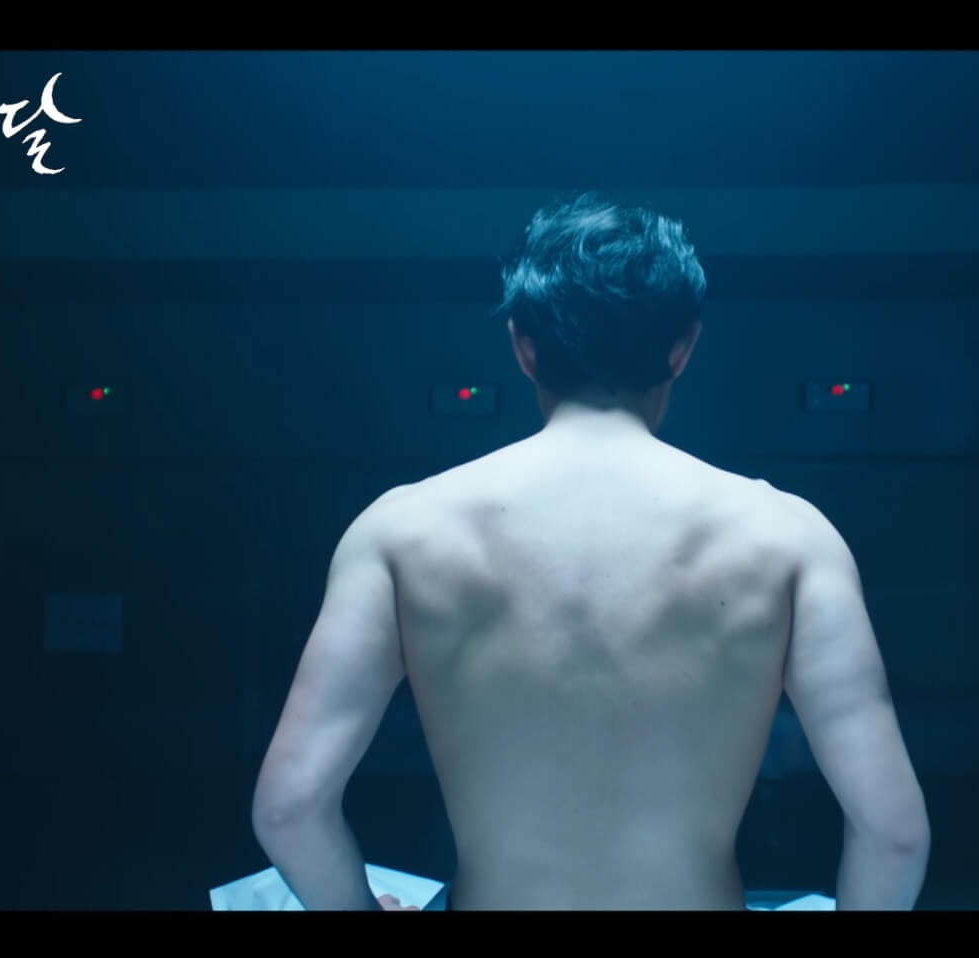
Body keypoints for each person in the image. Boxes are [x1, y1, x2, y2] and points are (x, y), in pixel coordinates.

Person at [250, 194, 930, 910]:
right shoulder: (789, 535)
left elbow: (289, 809)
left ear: (523, 347)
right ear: (682, 349)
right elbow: (894, 836)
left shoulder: (400, 530)